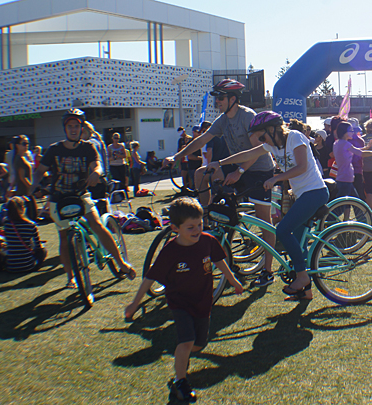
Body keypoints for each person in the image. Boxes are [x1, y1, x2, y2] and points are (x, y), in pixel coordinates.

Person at [124, 197, 243, 402]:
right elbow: (150, 277)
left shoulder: (208, 241)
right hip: (180, 303)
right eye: (190, 227)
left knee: (199, 343)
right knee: (186, 341)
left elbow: (219, 260)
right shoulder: (171, 250)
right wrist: (135, 303)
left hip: (203, 302)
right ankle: (181, 381)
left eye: (200, 224)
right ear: (175, 228)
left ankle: (181, 359)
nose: (197, 230)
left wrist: (232, 279)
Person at [163, 79, 277, 288]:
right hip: (237, 168)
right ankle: (205, 219)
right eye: (216, 98)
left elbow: (257, 150)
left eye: (221, 98)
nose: (217, 102)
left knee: (264, 221)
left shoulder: (247, 116)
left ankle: (268, 271)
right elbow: (201, 140)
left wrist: (240, 171)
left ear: (233, 99)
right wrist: (177, 156)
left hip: (258, 170)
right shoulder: (223, 120)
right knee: (201, 174)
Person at [206, 111, 331, 300]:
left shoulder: (294, 137)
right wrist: (220, 162)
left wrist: (276, 178)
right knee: (298, 242)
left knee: (282, 231)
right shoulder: (272, 145)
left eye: (261, 135)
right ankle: (305, 292)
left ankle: (302, 277)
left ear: (273, 130)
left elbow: (302, 167)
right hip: (301, 195)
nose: (259, 140)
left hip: (314, 192)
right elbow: (247, 154)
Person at [31, 109, 136, 287]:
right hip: (58, 198)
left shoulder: (88, 147)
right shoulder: (54, 149)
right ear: (65, 128)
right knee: (64, 237)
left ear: (81, 128)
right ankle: (70, 277)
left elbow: (97, 165)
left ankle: (121, 263)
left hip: (81, 195)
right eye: (70, 126)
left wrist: (96, 173)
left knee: (97, 225)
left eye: (76, 126)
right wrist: (31, 190)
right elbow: (40, 171)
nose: (73, 129)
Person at [333, 121, 372, 199]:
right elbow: (361, 153)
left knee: (347, 204)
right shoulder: (345, 144)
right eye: (351, 130)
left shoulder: (337, 143)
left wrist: (366, 147)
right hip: (346, 178)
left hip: (342, 177)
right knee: (354, 203)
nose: (353, 132)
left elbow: (355, 150)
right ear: (345, 132)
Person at [3, 196, 45, 273]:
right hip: (28, 266)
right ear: (23, 208)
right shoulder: (31, 225)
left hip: (11, 266)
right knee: (43, 250)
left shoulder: (7, 224)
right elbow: (38, 246)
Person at [82, 122, 109, 214]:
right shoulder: (98, 141)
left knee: (93, 211)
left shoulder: (89, 144)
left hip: (93, 180)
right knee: (102, 208)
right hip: (102, 178)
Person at [108, 132, 128, 197]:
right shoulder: (110, 147)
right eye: (115, 138)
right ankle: (116, 195)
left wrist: (118, 155)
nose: (116, 140)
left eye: (118, 138)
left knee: (123, 180)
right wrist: (113, 157)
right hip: (113, 165)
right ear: (112, 138)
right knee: (116, 180)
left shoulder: (121, 146)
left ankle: (123, 195)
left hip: (121, 165)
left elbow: (125, 155)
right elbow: (108, 157)